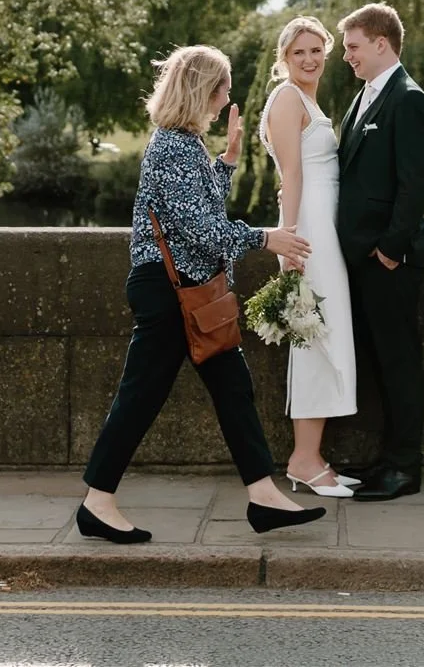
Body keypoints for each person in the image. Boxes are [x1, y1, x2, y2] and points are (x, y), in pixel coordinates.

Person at [77, 44, 323, 542]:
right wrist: (265, 237)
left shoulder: (184, 147)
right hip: (171, 294)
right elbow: (202, 231)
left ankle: (263, 496)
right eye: (224, 88)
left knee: (233, 390)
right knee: (140, 397)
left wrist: (227, 163)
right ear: (204, 91)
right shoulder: (171, 146)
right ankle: (96, 502)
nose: (227, 97)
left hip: (192, 293)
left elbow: (199, 208)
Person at [333, 2, 424, 503]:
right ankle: (386, 460)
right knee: (379, 363)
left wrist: (390, 252)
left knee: (398, 363)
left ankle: (404, 469)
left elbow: (414, 183)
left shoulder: (408, 98)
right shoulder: (367, 95)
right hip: (362, 259)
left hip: (389, 261)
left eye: (352, 47)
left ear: (381, 43)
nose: (346, 56)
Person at [258, 17, 358, 498]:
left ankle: (312, 456)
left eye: (316, 50)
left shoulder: (309, 100)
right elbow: (292, 176)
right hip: (310, 232)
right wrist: (290, 240)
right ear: (284, 57)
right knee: (314, 334)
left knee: (321, 330)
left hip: (322, 228)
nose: (309, 59)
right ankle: (303, 459)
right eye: (299, 52)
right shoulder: (286, 98)